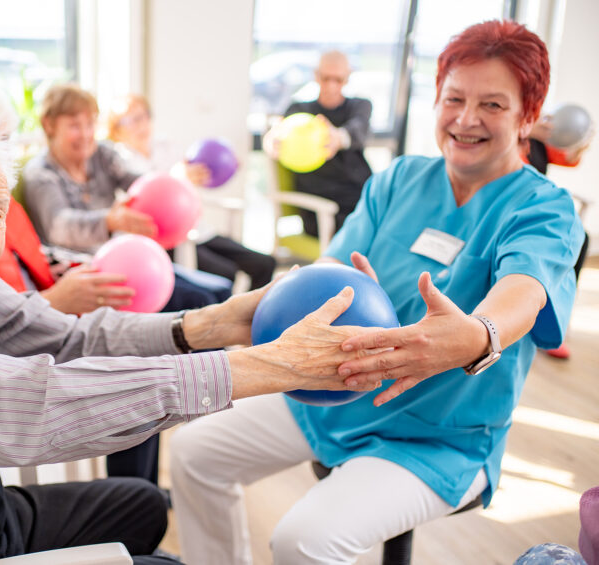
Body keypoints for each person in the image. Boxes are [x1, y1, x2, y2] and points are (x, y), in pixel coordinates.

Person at [0, 103, 376, 564]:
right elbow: (28, 408)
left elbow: (69, 340)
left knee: (143, 503)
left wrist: (215, 324)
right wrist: (268, 367)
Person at [170, 20, 585, 564]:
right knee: (194, 451)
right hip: (335, 392)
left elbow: (524, 292)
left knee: (304, 539)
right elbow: (332, 266)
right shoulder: (399, 179)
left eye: (493, 105)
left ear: (529, 116)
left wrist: (475, 335)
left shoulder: (543, 208)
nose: (465, 119)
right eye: (454, 98)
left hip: (437, 438)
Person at [21, 84, 232, 485]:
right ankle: (188, 423)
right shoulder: (40, 173)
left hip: (131, 264)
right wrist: (111, 220)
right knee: (200, 307)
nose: (84, 134)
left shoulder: (102, 155)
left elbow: (142, 180)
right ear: (49, 126)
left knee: (218, 293)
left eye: (88, 123)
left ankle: (205, 422)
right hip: (89, 278)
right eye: (73, 125)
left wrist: (173, 182)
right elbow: (59, 225)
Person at [0, 77, 135, 314]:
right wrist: (56, 300)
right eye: (0, 139)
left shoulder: (4, 204)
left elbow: (33, 257)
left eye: (7, 140)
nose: (7, 154)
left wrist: (83, 269)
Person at [106, 93, 277, 290]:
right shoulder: (116, 160)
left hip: (197, 231)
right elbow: (151, 195)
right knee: (226, 272)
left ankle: (253, 317)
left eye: (143, 116)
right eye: (131, 120)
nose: (140, 124)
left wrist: (221, 168)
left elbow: (192, 174)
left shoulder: (164, 145)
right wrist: (177, 177)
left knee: (265, 263)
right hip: (165, 239)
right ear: (116, 130)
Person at [263, 49, 372, 236]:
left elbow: (358, 129)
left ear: (347, 78)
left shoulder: (359, 106)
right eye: (325, 78)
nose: (331, 85)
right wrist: (270, 141)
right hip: (321, 207)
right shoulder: (298, 110)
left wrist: (337, 137)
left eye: (338, 79)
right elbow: (276, 134)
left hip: (361, 197)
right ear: (316, 75)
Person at [524, 110, 593, 359]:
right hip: (513, 210)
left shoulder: (542, 139)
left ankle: (555, 321)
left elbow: (569, 158)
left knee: (580, 240)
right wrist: (525, 130)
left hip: (534, 209)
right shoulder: (511, 137)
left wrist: (582, 142)